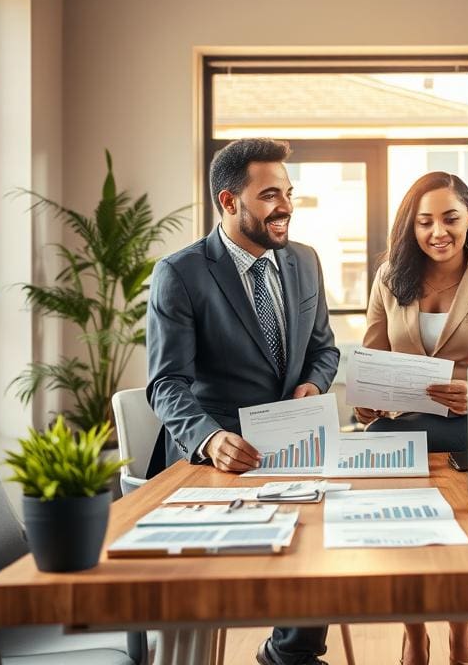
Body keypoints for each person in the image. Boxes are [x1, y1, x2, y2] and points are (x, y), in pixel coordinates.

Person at [146, 137, 339, 665]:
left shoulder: (304, 261)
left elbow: (324, 349)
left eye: (288, 192)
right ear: (229, 202)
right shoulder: (181, 273)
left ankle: (290, 654)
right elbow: (166, 383)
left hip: (296, 444)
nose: (286, 206)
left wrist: (314, 385)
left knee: (322, 534)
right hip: (220, 458)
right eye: (270, 194)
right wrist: (209, 438)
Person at [354, 171, 468, 665]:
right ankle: (414, 634)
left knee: (460, 536)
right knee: (405, 534)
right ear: (411, 226)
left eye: (449, 218)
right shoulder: (390, 277)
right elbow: (371, 354)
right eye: (424, 222)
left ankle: (459, 632)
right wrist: (365, 399)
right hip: (401, 425)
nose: (437, 232)